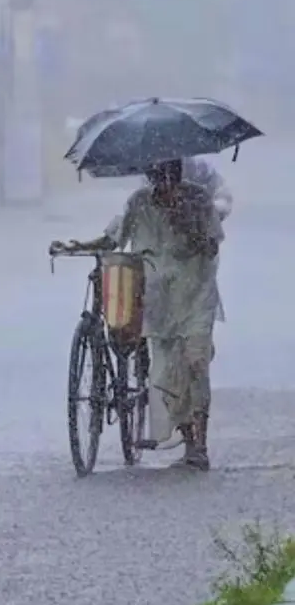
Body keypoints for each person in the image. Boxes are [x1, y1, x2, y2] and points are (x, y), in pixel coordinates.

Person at [55, 157, 223, 470]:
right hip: (159, 301)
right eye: (158, 176)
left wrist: (188, 225)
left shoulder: (198, 199)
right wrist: (78, 246)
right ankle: (188, 437)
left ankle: (199, 444)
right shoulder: (139, 202)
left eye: (170, 174)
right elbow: (114, 238)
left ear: (178, 172)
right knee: (166, 374)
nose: (164, 183)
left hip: (196, 294)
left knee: (196, 362)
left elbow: (212, 245)